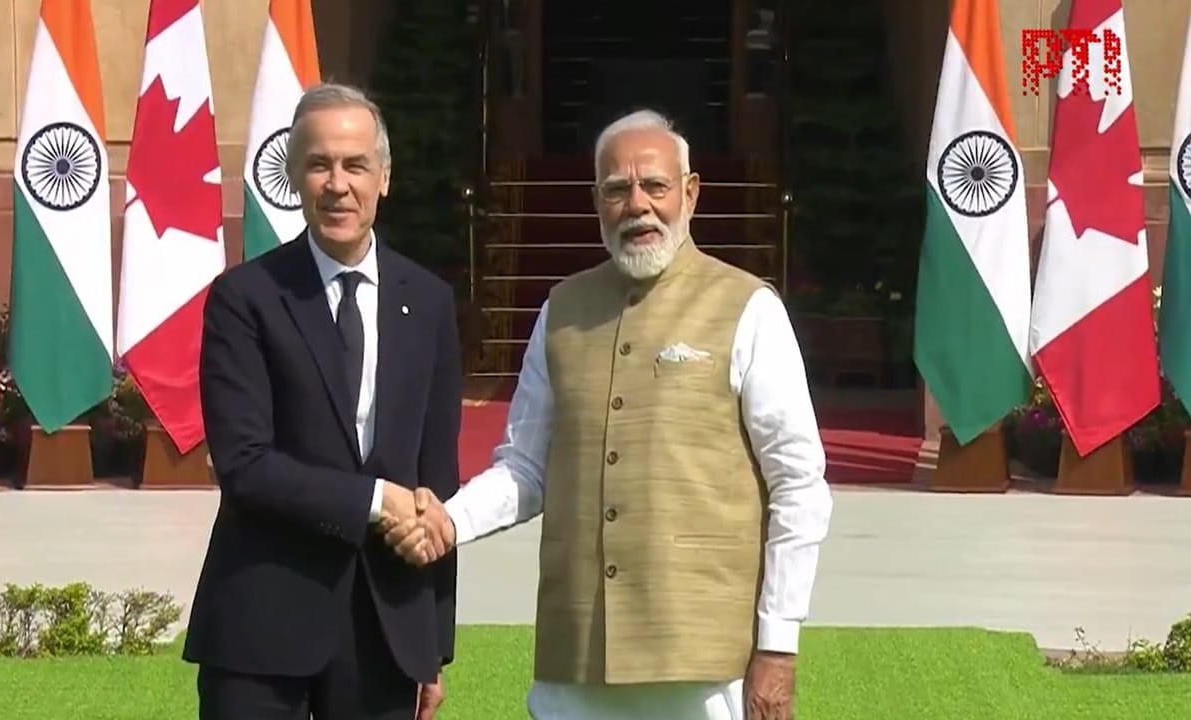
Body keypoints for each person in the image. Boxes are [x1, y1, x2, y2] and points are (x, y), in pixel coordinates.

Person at [384, 109, 834, 720]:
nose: (638, 205)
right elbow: (525, 468)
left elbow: (798, 485)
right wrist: (448, 521)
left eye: (655, 186)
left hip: (704, 663)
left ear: (690, 194)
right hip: (578, 659)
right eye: (618, 189)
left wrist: (778, 642)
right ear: (596, 201)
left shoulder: (749, 308)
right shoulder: (561, 310)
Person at [183, 83, 462, 720]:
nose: (338, 185)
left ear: (384, 177)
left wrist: (432, 644)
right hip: (261, 624)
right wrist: (375, 501)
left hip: (387, 633)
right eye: (319, 165)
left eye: (355, 165)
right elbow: (245, 464)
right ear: (293, 177)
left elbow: (434, 486)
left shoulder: (429, 303)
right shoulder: (245, 299)